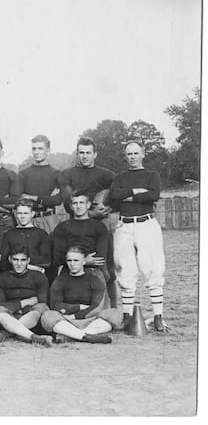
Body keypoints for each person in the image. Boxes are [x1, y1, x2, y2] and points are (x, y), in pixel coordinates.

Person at [110, 140, 166, 331]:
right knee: (125, 269)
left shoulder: (152, 175)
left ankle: (158, 316)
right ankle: (127, 316)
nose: (132, 157)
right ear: (125, 156)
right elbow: (113, 195)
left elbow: (153, 195)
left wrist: (129, 197)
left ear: (143, 153)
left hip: (146, 223)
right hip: (124, 225)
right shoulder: (120, 177)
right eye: (129, 154)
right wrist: (136, 191)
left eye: (136, 153)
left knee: (152, 268)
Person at [58, 136, 119, 307]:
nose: (85, 156)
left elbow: (118, 193)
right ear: (77, 153)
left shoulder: (106, 175)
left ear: (95, 154)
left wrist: (111, 207)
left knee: (106, 268)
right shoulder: (68, 174)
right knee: (74, 263)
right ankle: (78, 304)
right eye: (81, 153)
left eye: (88, 153)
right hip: (76, 224)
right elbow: (68, 203)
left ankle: (113, 308)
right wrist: (90, 213)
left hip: (101, 225)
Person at [40, 246, 122, 343]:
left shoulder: (95, 279)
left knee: (114, 314)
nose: (72, 264)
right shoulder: (60, 280)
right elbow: (56, 306)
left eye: (76, 260)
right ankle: (86, 337)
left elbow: (96, 308)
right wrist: (79, 307)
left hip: (90, 319)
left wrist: (75, 316)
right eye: (69, 261)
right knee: (47, 316)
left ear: (84, 261)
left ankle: (72, 336)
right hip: (66, 320)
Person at [51, 191, 110, 299]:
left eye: (81, 203)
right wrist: (84, 261)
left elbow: (100, 256)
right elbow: (57, 257)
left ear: (88, 205)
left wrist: (83, 262)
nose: (78, 206)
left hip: (92, 270)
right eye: (75, 203)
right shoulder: (63, 227)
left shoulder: (99, 226)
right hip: (69, 268)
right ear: (71, 206)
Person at [0, 245, 53, 346]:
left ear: (28, 260)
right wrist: (24, 303)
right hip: (9, 317)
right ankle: (33, 337)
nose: (19, 264)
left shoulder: (39, 277)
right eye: (15, 260)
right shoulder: (1, 278)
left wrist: (18, 308)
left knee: (42, 308)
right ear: (10, 259)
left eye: (23, 260)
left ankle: (5, 334)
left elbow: (42, 302)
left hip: (31, 317)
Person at [18, 135, 62, 233]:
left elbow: (57, 200)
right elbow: (20, 200)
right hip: (28, 220)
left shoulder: (56, 174)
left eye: (40, 148)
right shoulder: (23, 174)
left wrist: (31, 197)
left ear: (48, 150)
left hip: (49, 220)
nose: (36, 152)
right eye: (34, 149)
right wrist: (46, 200)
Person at [0, 198, 51, 274]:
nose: (22, 216)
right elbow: (3, 264)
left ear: (32, 214)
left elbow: (46, 261)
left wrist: (17, 262)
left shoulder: (41, 234)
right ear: (15, 214)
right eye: (20, 213)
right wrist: (30, 267)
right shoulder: (9, 234)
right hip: (14, 276)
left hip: (35, 277)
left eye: (26, 213)